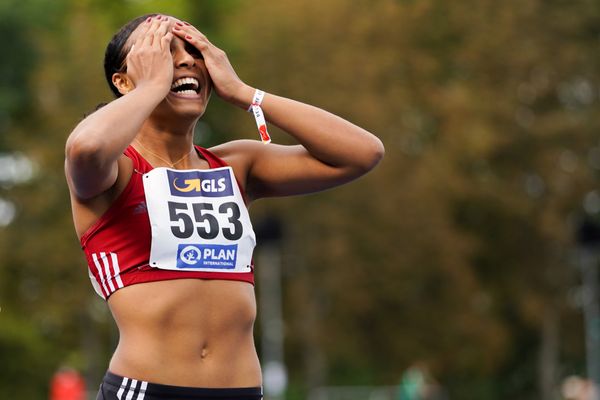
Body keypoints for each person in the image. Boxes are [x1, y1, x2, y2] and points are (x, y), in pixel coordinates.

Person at [65, 13, 384, 400]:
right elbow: (85, 147)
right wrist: (149, 86)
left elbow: (362, 153)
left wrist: (246, 93)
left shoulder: (236, 165)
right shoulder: (114, 171)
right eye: (165, 50)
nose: (185, 60)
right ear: (122, 79)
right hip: (147, 390)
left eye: (194, 50)